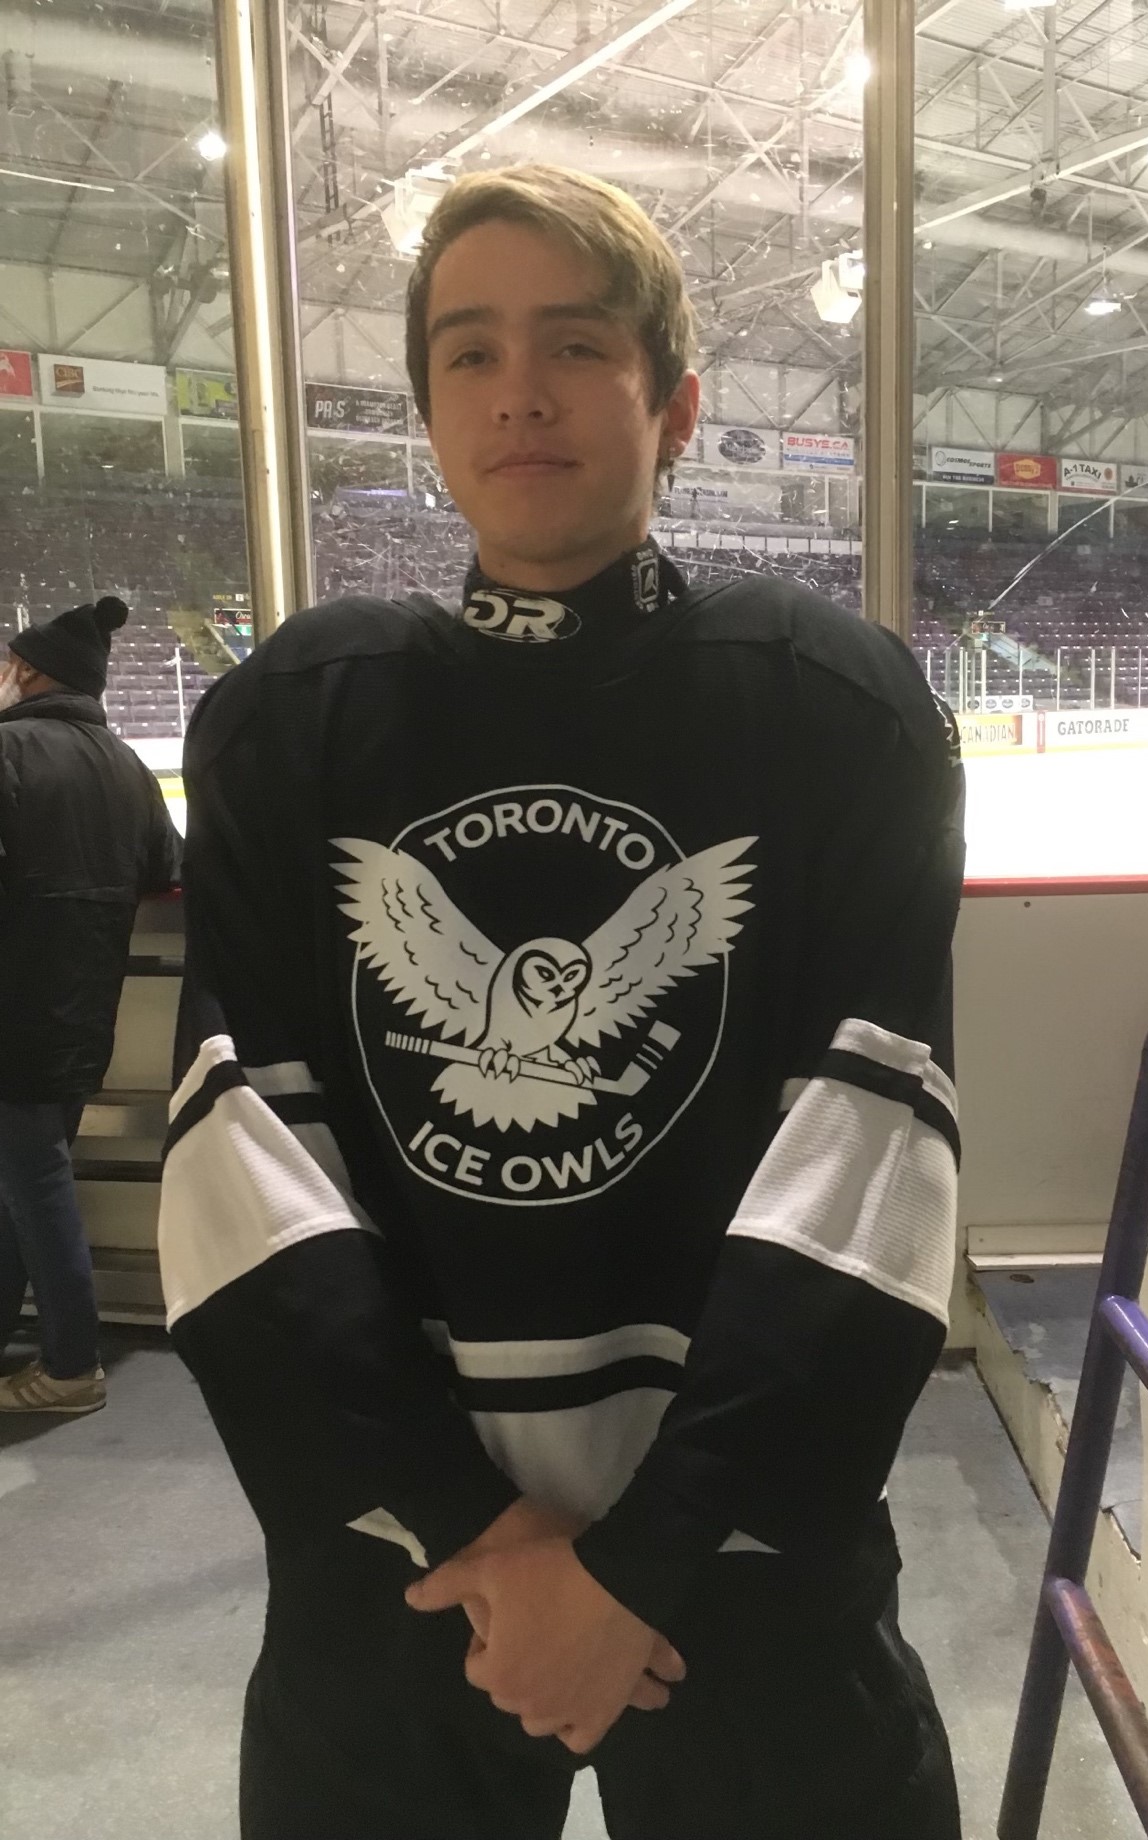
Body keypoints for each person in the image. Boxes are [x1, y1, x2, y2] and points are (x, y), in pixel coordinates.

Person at [160, 163, 966, 1840]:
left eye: (574, 343)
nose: (518, 388)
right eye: (468, 352)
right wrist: (478, 1532)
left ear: (672, 405)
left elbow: (870, 1150)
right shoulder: (296, 721)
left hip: (744, 1565)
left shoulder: (832, 708)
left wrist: (650, 1556)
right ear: (430, 410)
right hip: (405, 1564)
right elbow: (245, 1162)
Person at [0, 597, 180, 1415]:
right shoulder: (126, 768)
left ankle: (72, 1365)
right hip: (79, 1018)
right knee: (22, 1178)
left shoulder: (6, 750)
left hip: (10, 1012)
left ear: (30, 672)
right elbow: (163, 874)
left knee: (34, 1182)